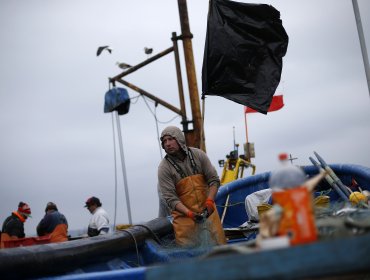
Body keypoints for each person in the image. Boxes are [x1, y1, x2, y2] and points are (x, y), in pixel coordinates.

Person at [157, 126, 226, 247]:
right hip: (185, 223)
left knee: (219, 249)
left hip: (209, 216)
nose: (167, 144)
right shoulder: (164, 168)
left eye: (170, 139)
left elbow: (214, 180)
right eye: (164, 141)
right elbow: (171, 199)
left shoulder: (198, 155)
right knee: (192, 256)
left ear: (179, 139)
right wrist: (189, 214)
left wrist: (210, 202)